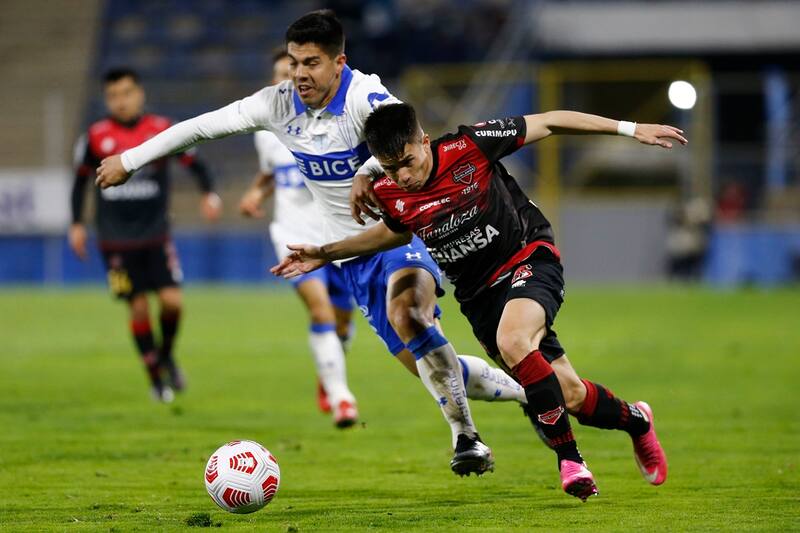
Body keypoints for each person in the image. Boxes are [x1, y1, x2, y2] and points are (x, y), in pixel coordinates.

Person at [94, 11, 527, 475]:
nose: (300, 73)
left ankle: (467, 440)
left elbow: (408, 136)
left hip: (397, 233)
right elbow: (200, 127)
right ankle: (529, 392)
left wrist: (366, 171)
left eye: (312, 63)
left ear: (339, 62)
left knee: (412, 317)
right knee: (435, 367)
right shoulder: (277, 104)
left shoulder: (365, 95)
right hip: (350, 254)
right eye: (296, 61)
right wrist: (132, 158)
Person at [272, 103, 687, 500]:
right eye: (390, 166)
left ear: (424, 141)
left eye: (407, 161)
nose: (402, 175)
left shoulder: (469, 146)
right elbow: (394, 233)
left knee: (513, 341)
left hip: (526, 256)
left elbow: (551, 121)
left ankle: (571, 462)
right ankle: (637, 420)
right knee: (571, 395)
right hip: (478, 296)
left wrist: (631, 130)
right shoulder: (390, 191)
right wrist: (326, 252)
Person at [70, 67, 222, 402]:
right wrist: (77, 223)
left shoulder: (160, 130)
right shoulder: (95, 137)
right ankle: (156, 378)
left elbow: (194, 161)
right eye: (113, 96)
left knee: (172, 304)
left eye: (126, 93)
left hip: (156, 236)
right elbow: (81, 181)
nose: (120, 101)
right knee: (137, 309)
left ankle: (166, 355)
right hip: (115, 241)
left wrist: (209, 193)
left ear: (140, 94)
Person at [239, 48, 359, 428]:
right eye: (280, 74)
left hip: (339, 237)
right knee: (320, 311)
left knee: (341, 321)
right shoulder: (269, 132)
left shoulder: (338, 123)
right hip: (293, 237)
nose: (287, 80)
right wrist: (257, 192)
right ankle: (343, 398)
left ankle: (330, 373)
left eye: (293, 72)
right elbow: (274, 171)